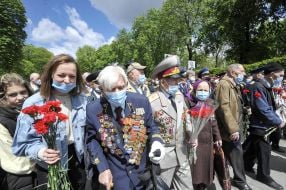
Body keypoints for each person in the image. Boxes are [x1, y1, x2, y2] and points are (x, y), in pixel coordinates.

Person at [12, 54, 87, 190]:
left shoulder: (83, 100)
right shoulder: (34, 103)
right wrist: (40, 152)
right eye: (61, 75)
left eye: (72, 76)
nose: (67, 80)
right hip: (50, 166)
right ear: (51, 75)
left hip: (78, 163)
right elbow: (20, 145)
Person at [85, 65, 165, 190]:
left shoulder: (141, 101)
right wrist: (102, 167)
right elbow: (91, 140)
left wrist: (157, 142)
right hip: (116, 177)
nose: (117, 92)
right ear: (102, 89)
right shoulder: (93, 109)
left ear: (126, 83)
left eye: (121, 87)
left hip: (142, 174)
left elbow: (152, 127)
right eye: (111, 89)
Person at [149, 55, 195, 190]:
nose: (177, 83)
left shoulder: (179, 96)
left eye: (178, 80)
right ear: (162, 81)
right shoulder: (152, 101)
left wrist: (192, 133)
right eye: (173, 80)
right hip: (164, 158)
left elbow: (186, 116)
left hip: (182, 153)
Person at [243, 62, 285, 190]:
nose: (282, 77)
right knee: (264, 151)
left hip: (263, 125)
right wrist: (278, 121)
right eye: (281, 75)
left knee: (252, 146)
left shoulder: (268, 86)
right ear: (272, 74)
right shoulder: (258, 86)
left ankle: (245, 164)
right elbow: (262, 108)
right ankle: (264, 175)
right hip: (261, 126)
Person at [215, 64, 251, 190]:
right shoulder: (224, 84)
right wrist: (233, 129)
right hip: (229, 129)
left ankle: (234, 179)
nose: (243, 74)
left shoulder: (231, 84)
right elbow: (223, 107)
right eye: (241, 71)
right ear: (231, 72)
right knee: (236, 154)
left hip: (232, 127)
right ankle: (240, 181)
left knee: (233, 154)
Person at [0, 73, 35, 190]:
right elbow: (14, 158)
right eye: (12, 95)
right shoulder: (3, 121)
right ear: (3, 96)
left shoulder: (30, 112)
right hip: (20, 176)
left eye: (23, 92)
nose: (20, 97)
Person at [189, 80, 222, 190]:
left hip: (207, 141)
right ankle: (196, 184)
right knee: (196, 165)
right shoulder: (189, 102)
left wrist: (217, 137)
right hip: (195, 140)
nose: (203, 92)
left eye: (205, 90)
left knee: (206, 165)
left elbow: (214, 122)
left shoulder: (210, 103)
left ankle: (204, 184)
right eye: (200, 90)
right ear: (194, 90)